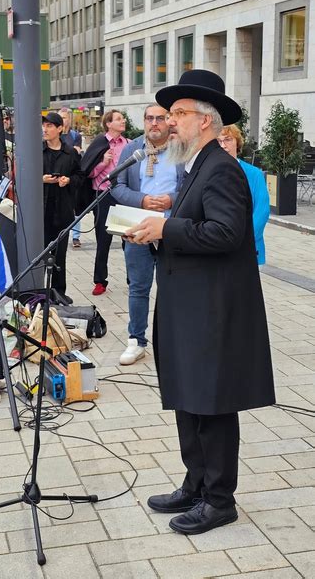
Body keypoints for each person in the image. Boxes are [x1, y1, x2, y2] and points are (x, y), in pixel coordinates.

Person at [126, 69, 275, 535]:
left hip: (212, 311)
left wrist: (166, 228)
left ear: (205, 121)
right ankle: (195, 483)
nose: (170, 122)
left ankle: (219, 499)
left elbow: (228, 234)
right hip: (188, 305)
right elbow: (195, 228)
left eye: (179, 113)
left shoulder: (222, 168)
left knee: (210, 404)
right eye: (171, 114)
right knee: (187, 399)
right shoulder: (195, 165)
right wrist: (156, 232)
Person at [112, 104, 183, 365]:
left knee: (171, 289)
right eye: (149, 118)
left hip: (170, 230)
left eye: (160, 118)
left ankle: (172, 340)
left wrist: (170, 200)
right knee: (138, 288)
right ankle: (136, 341)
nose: (154, 123)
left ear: (169, 122)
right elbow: (116, 186)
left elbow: (193, 187)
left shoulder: (181, 148)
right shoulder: (133, 150)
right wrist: (142, 200)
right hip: (138, 230)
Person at [80, 109, 129, 295]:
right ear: (108, 124)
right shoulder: (100, 143)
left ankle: (132, 278)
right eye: (118, 118)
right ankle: (100, 281)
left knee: (129, 238)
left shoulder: (128, 144)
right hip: (103, 195)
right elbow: (88, 173)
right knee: (103, 240)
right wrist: (102, 162)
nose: (122, 120)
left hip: (124, 194)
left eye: (122, 118)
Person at [42, 112, 82, 304]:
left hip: (63, 210)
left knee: (60, 256)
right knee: (39, 255)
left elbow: (80, 176)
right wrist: (41, 179)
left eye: (50, 126)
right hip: (41, 211)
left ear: (60, 129)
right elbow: (25, 178)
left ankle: (59, 293)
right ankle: (40, 293)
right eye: (44, 126)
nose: (45, 129)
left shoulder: (71, 153)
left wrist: (68, 180)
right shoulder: (37, 151)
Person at [218, 124, 270, 265]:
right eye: (218, 141)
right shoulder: (207, 172)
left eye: (228, 139)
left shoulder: (254, 174)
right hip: (216, 249)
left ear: (237, 143)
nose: (223, 145)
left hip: (248, 247)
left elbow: (262, 210)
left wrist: (243, 240)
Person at [58, 107, 84, 248]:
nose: (63, 120)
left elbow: (77, 152)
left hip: (71, 174)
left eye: (65, 117)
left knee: (75, 206)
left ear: (69, 119)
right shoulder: (56, 135)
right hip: (57, 175)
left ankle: (75, 236)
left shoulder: (75, 136)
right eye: (61, 117)